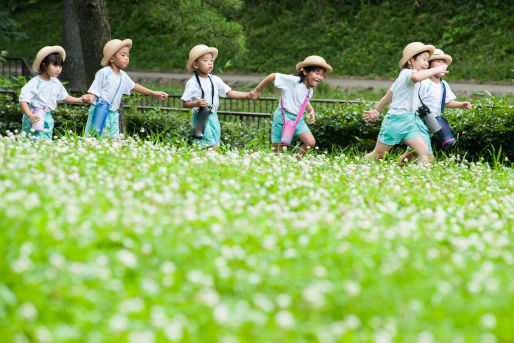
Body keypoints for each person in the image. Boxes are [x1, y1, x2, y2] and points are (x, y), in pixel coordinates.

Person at [362, 42, 448, 165]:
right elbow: (416, 77)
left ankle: (419, 180)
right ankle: (357, 167)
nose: (426, 63)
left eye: (427, 60)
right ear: (410, 61)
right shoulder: (408, 73)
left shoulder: (405, 78)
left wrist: (377, 110)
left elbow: (389, 95)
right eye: (423, 59)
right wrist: (437, 69)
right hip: (395, 121)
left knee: (424, 152)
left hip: (410, 122)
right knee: (378, 155)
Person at [81, 39, 168, 138]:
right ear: (112, 59)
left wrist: (153, 93)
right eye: (123, 55)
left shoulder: (123, 76)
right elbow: (95, 90)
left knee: (114, 140)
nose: (126, 58)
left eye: (128, 55)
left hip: (113, 113)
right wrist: (90, 98)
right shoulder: (104, 73)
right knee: (95, 138)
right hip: (101, 109)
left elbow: (134, 86)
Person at [397, 49, 472, 163]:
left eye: (444, 63)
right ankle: (421, 176)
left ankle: (397, 168)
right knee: (427, 156)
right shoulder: (422, 82)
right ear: (429, 65)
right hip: (419, 122)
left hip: (431, 122)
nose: (443, 66)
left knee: (411, 153)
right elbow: (412, 101)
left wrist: (461, 104)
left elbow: (447, 102)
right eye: (439, 62)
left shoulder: (443, 84)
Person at [251, 56, 332, 156]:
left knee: (310, 143)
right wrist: (257, 90)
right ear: (305, 72)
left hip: (297, 119)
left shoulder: (309, 89)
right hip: (283, 116)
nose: (319, 77)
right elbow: (273, 76)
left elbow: (304, 100)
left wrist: (311, 110)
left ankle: (294, 162)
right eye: (316, 73)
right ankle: (274, 167)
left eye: (322, 75)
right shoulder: (293, 81)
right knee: (278, 150)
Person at [181, 44, 253, 150]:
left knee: (213, 143)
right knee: (210, 145)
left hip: (213, 115)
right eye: (205, 60)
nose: (210, 62)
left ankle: (205, 163)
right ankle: (216, 163)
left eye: (211, 60)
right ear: (195, 65)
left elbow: (229, 92)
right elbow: (184, 103)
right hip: (200, 116)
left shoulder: (215, 80)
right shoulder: (192, 83)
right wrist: (195, 103)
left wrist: (247, 95)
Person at [19, 46, 83, 140]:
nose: (58, 69)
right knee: (34, 141)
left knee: (46, 140)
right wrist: (30, 115)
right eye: (55, 65)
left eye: (60, 66)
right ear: (44, 65)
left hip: (47, 116)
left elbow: (64, 96)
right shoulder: (35, 83)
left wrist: (79, 100)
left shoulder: (55, 82)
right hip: (35, 115)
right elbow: (23, 100)